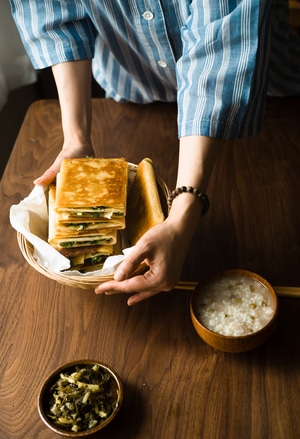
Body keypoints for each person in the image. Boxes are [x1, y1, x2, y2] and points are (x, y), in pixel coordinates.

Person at [10, 0, 300, 305]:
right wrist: (76, 140)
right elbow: (54, 14)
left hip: (260, 98)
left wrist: (181, 221)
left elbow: (221, 49)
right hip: (135, 89)